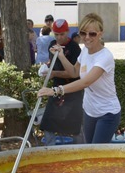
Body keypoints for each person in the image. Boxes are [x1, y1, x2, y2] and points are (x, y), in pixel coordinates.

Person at [38, 13, 120, 144]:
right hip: (89, 110)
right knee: (88, 151)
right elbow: (74, 72)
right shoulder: (85, 51)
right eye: (83, 33)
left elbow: (85, 82)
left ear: (100, 34)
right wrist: (61, 55)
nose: (87, 38)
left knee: (96, 154)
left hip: (107, 112)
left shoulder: (105, 56)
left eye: (92, 34)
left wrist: (55, 91)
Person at [40, 19, 84, 146]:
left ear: (68, 32)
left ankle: (80, 152)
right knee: (48, 122)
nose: (59, 37)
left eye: (62, 34)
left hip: (72, 90)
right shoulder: (52, 45)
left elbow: (74, 73)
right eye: (56, 34)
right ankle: (49, 153)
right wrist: (46, 69)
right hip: (56, 90)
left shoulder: (74, 48)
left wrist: (53, 73)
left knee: (76, 125)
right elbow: (53, 64)